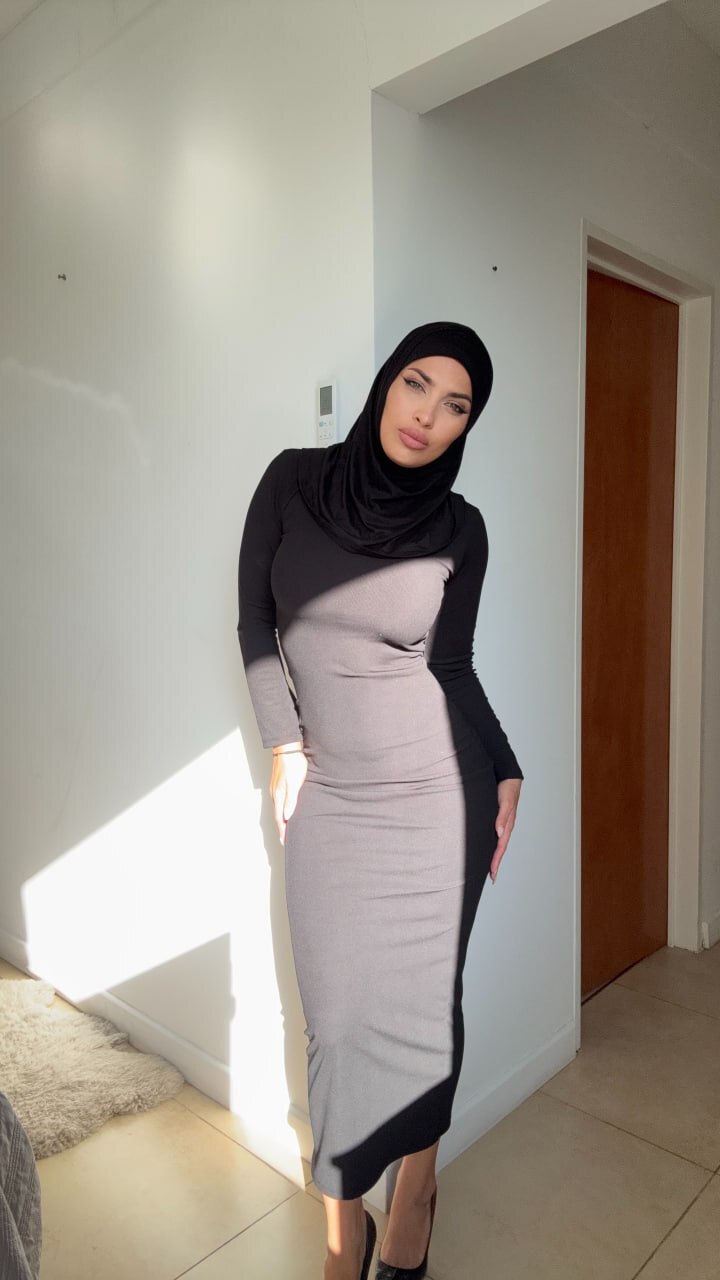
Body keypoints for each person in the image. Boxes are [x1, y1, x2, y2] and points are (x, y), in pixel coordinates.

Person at [237, 321, 523, 1280]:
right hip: (334, 793)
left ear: (467, 426)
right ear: (386, 383)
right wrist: (284, 740)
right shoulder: (293, 482)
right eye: (417, 384)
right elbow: (255, 621)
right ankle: (340, 1238)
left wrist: (506, 764)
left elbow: (453, 663)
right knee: (338, 1026)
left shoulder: (461, 528)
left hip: (441, 795)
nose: (428, 415)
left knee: (423, 1015)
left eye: (456, 406)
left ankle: (416, 1195)